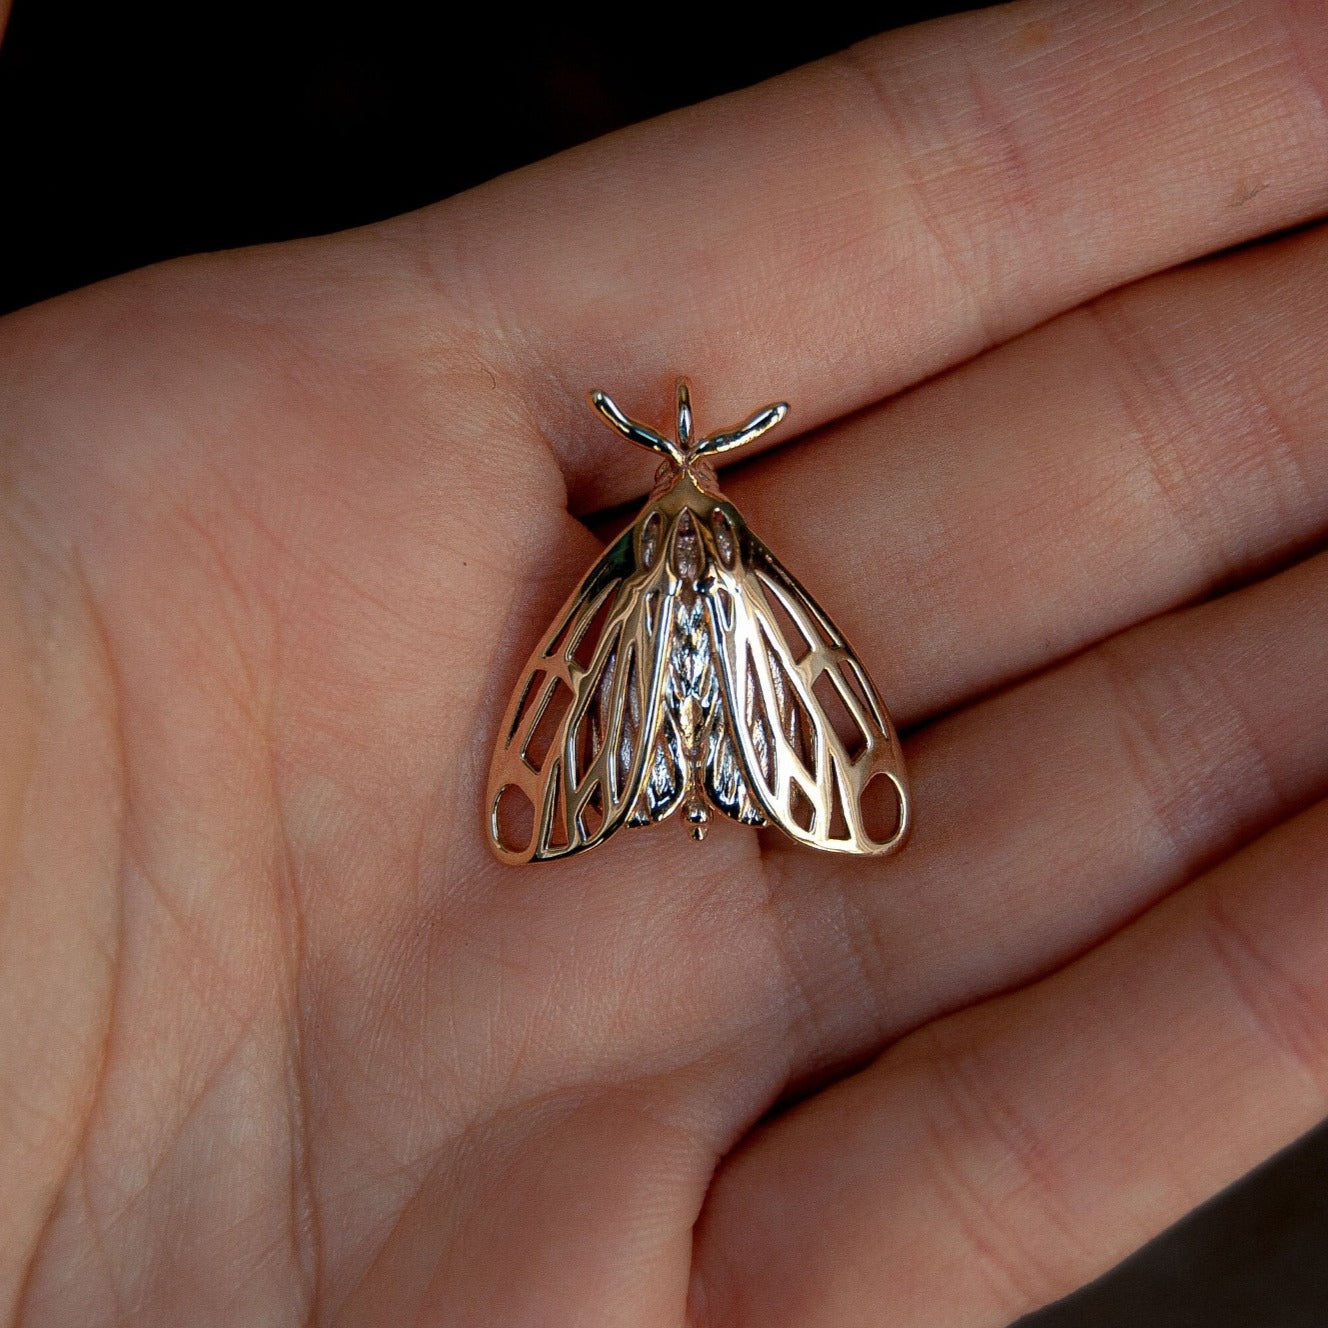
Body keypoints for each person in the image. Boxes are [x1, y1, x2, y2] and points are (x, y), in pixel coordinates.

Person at [4, 2, 1328, 1323]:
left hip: (662, 616)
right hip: (714, 625)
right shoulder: (716, 566)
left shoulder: (642, 565)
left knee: (636, 705)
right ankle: (704, 772)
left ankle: (683, 772)